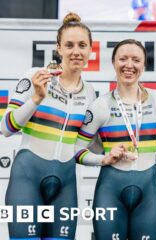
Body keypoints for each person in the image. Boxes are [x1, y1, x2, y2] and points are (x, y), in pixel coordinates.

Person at [1, 12, 96, 239]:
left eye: (82, 45)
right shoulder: (37, 76)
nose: (76, 51)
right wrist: (36, 99)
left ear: (91, 50)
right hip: (27, 178)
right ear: (58, 48)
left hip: (66, 183)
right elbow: (6, 127)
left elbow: (87, 145)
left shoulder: (91, 92)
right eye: (69, 45)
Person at [74, 39, 156, 240]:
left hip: (148, 191)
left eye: (136, 60)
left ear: (144, 65)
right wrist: (104, 159)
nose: (129, 65)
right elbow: (76, 150)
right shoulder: (100, 105)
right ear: (114, 62)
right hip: (110, 190)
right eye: (123, 59)